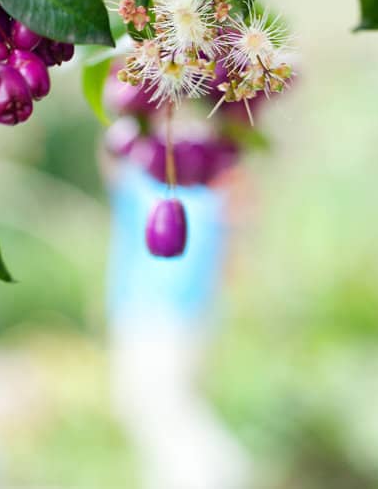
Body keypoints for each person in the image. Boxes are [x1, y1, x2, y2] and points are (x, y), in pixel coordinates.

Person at [105, 116, 252, 489]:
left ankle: (218, 471)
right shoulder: (165, 174)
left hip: (162, 310)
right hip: (166, 309)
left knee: (158, 406)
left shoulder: (184, 182)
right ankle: (214, 470)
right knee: (155, 406)